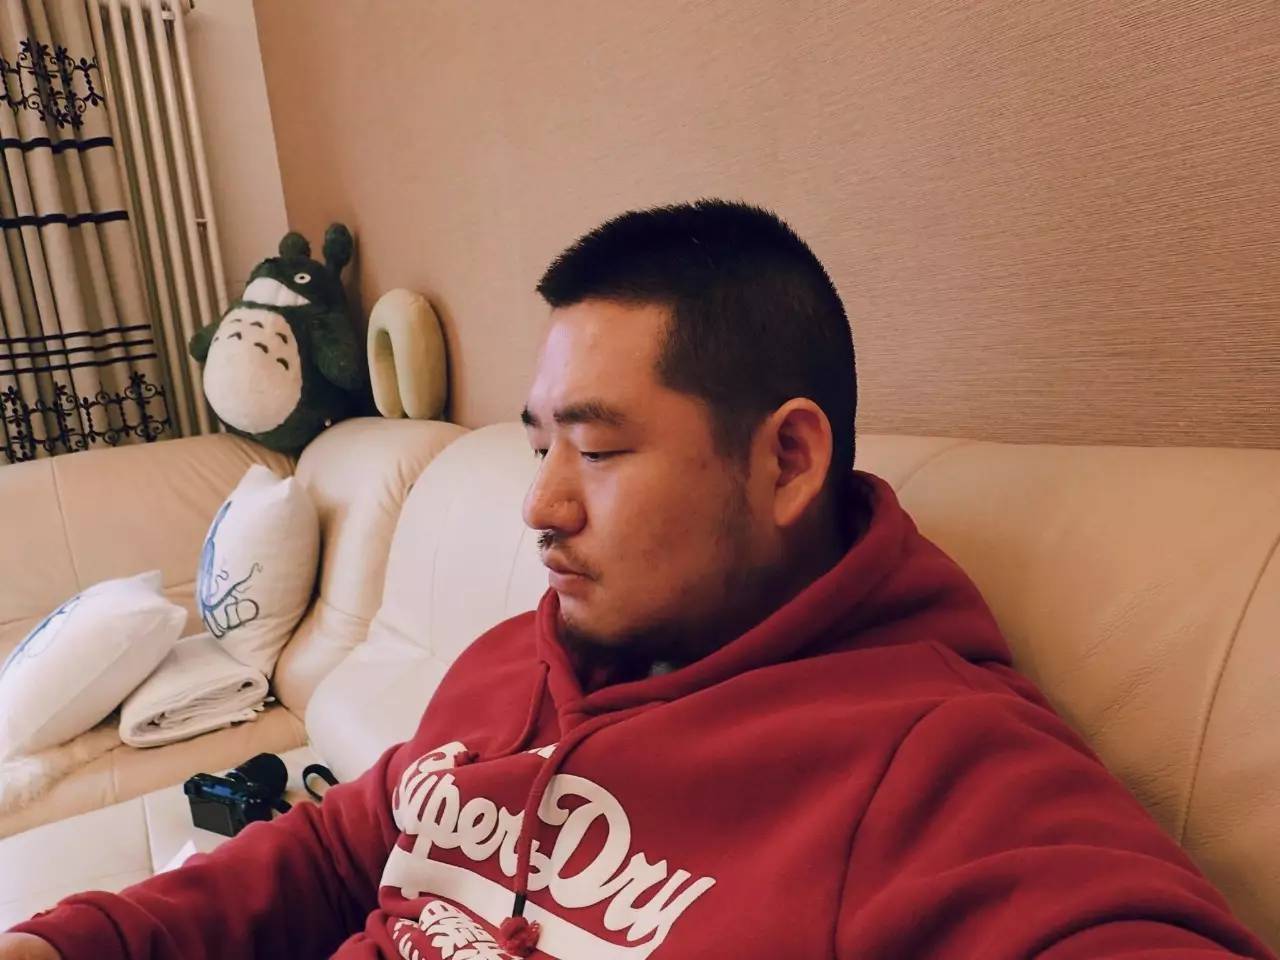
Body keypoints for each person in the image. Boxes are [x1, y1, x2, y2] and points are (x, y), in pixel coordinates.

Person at [2, 199, 1274, 960]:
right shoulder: (522, 652)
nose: (539, 505)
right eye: (538, 444)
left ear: (786, 460)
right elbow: (344, 849)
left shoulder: (933, 763)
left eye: (598, 451)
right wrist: (67, 942)